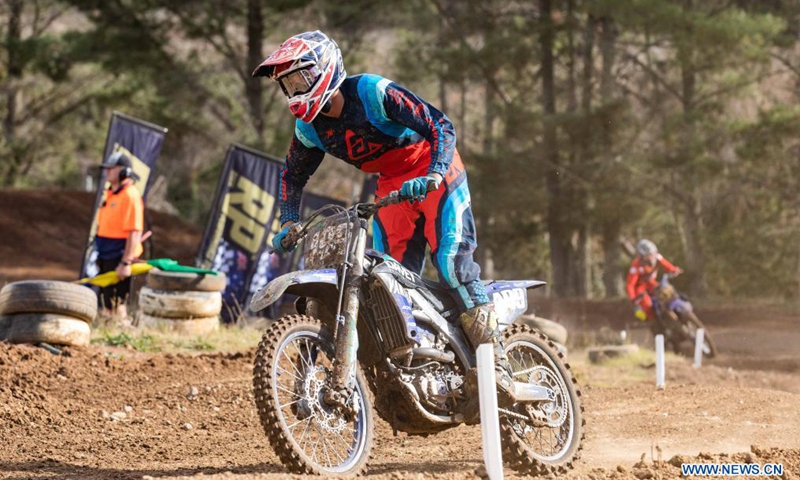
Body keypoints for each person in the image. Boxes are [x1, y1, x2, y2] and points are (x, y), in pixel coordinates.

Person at [252, 30, 516, 404]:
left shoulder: (373, 93)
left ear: (325, 69)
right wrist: (289, 221)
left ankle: (498, 364)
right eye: (288, 85)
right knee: (386, 281)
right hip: (392, 187)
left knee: (451, 263)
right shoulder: (309, 128)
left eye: (301, 79)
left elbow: (440, 125)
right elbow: (293, 176)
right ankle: (421, 361)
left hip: (432, 170)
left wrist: (436, 172)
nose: (295, 91)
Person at [95, 151, 144, 320]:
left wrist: (126, 262)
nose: (107, 172)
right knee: (106, 302)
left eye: (112, 168)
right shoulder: (110, 194)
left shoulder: (130, 196)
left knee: (117, 303)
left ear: (124, 171)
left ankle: (121, 334)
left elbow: (135, 231)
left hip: (119, 255)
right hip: (106, 254)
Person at [626, 239, 682, 321]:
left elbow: (667, 265)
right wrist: (632, 298)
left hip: (651, 283)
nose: (652, 257)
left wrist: (674, 270)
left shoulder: (657, 257)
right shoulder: (636, 266)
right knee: (647, 305)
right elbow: (630, 284)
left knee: (666, 292)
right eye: (649, 255)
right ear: (642, 256)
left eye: (653, 254)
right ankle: (654, 322)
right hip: (640, 288)